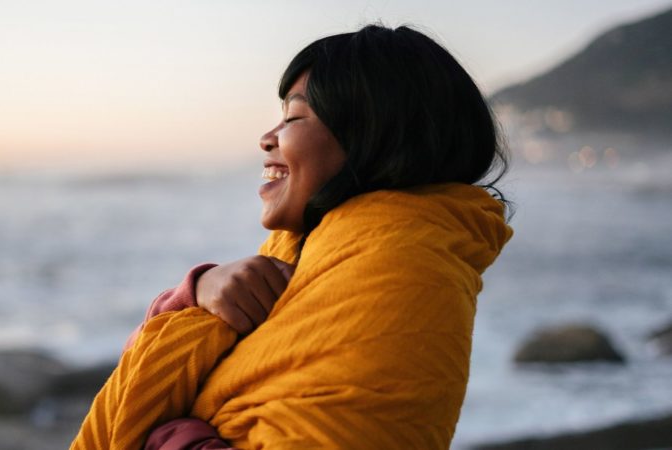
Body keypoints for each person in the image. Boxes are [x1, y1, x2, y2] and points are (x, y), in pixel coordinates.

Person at [71, 24, 513, 450]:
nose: (267, 138)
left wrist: (172, 438)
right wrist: (195, 293)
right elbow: (144, 369)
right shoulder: (309, 257)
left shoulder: (405, 273)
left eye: (295, 116)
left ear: (375, 137)